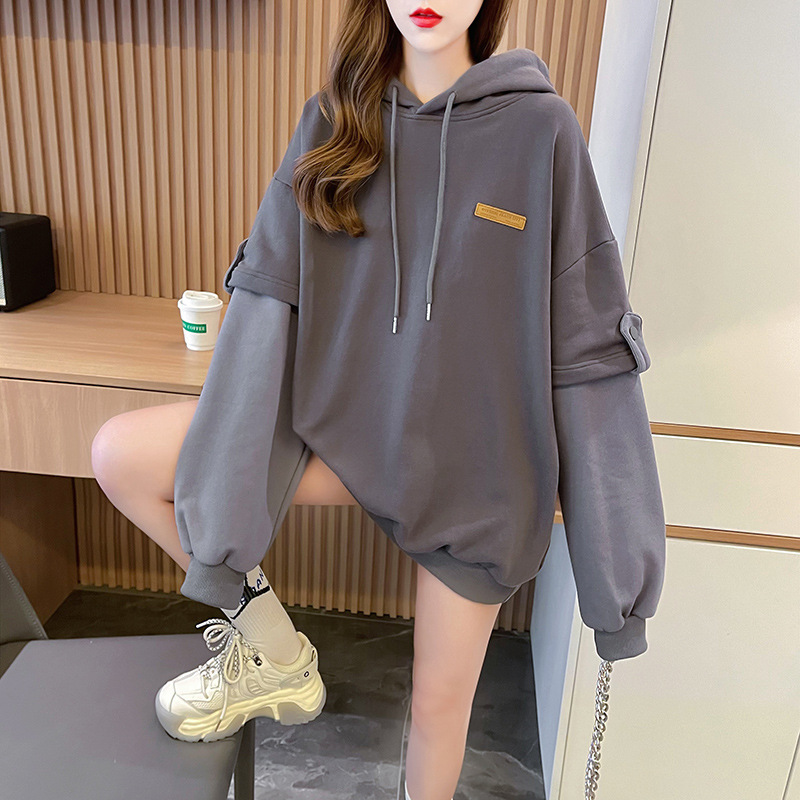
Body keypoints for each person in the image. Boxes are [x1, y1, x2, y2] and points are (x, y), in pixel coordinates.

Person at [91, 1, 666, 798]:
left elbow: (587, 344)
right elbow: (269, 300)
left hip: (475, 478)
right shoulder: (333, 122)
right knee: (119, 453)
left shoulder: (542, 132)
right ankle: (274, 654)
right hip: (337, 435)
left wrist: (618, 583)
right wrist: (225, 535)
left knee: (438, 710)